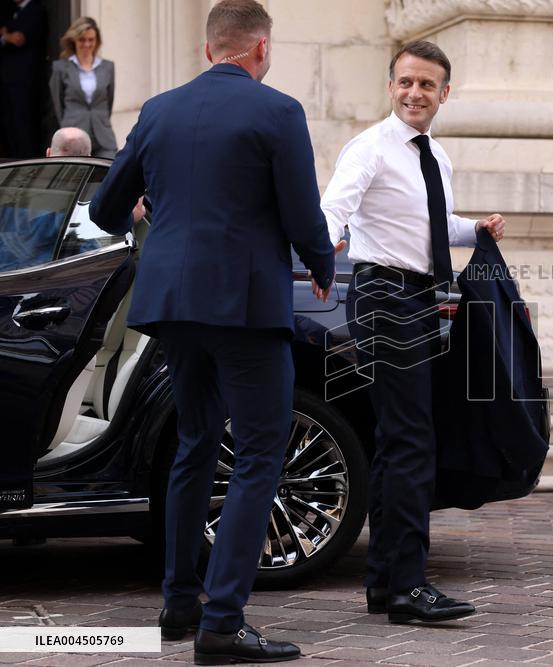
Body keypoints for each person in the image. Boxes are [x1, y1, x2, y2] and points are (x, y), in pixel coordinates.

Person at [88, 1, 336, 662]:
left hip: (171, 302)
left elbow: (107, 205)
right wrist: (322, 262)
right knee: (259, 452)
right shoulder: (278, 111)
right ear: (259, 50)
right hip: (245, 304)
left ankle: (178, 601)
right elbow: (301, 207)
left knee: (197, 441)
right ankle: (222, 620)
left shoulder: (159, 110)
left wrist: (154, 206)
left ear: (207, 50)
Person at [320, 40, 504, 625]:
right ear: (390, 86)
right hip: (384, 295)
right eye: (405, 83)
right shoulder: (370, 147)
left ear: (444, 93)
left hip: (421, 297)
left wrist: (474, 228)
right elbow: (333, 210)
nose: (414, 93)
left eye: (427, 85)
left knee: (401, 440)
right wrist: (321, 259)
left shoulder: (436, 156)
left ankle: (385, 586)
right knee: (411, 441)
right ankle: (406, 587)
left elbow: (428, 224)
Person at [50, 16, 118, 158]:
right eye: (82, 40)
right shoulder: (61, 67)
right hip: (73, 136)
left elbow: (108, 102)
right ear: (74, 40)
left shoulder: (107, 67)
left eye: (91, 40)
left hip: (103, 136)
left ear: (97, 41)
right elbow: (58, 104)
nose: (87, 44)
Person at [0, 0, 47, 158]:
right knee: (10, 123)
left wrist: (5, 35)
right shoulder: (13, 11)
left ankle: (27, 161)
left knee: (23, 123)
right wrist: (8, 36)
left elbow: (19, 39)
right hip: (8, 79)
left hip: (24, 79)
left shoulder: (35, 9)